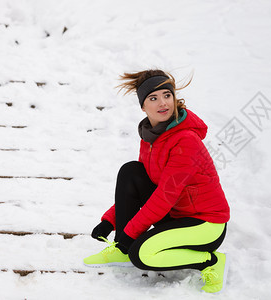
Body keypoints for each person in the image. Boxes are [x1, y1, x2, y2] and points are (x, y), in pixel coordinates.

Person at [83, 69, 230, 293]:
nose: (163, 103)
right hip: (177, 214)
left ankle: (210, 261)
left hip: (205, 224)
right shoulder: (152, 138)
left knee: (141, 254)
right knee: (131, 171)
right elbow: (146, 187)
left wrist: (128, 235)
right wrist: (110, 222)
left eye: (167, 95)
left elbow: (163, 196)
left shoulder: (186, 140)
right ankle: (122, 250)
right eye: (153, 98)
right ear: (143, 106)